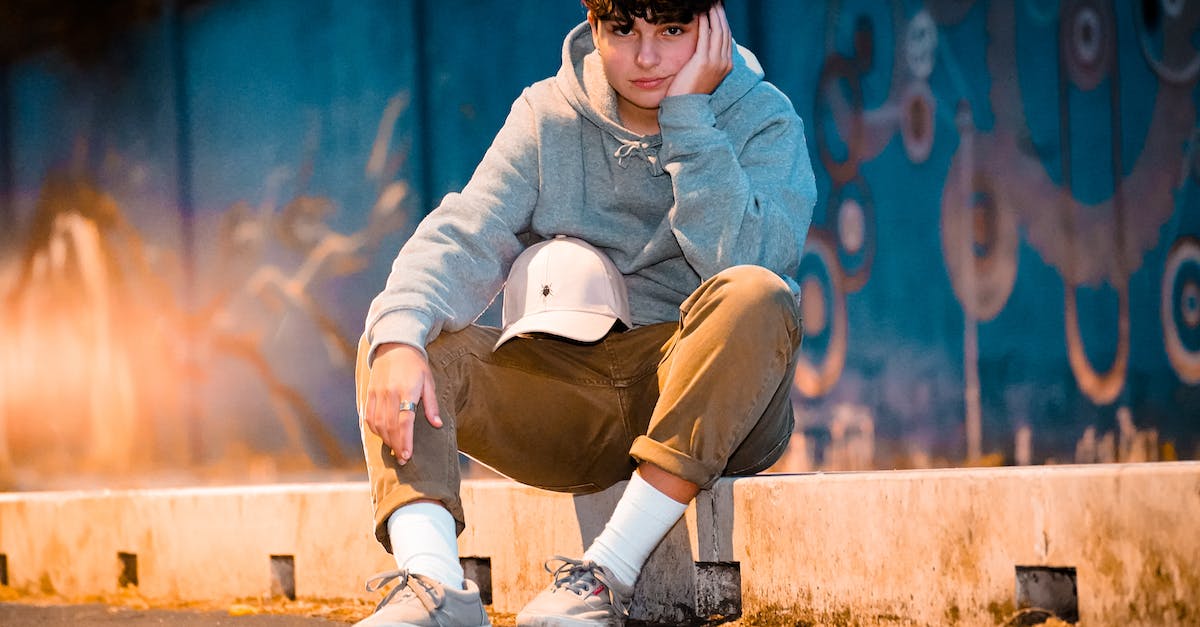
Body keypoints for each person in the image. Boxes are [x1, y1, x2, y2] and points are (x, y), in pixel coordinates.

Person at [354, 0, 815, 624]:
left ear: (713, 28)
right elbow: (465, 233)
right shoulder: (549, 114)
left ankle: (603, 574)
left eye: (672, 30)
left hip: (716, 403)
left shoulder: (763, 121)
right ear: (595, 26)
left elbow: (746, 260)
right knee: (400, 333)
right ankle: (433, 589)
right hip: (579, 397)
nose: (647, 56)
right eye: (624, 30)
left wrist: (690, 119)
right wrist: (400, 336)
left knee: (758, 294)